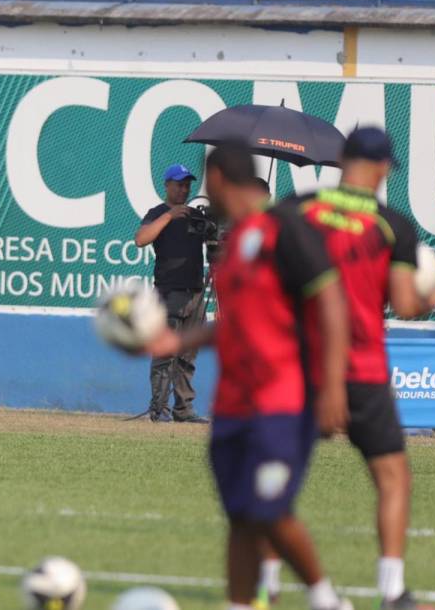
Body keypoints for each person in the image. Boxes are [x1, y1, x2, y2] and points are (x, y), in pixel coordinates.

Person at [145, 145, 354, 610]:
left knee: (269, 509)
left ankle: (327, 601)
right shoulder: (235, 245)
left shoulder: (285, 230)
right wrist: (174, 343)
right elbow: (237, 324)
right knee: (240, 516)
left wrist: (334, 386)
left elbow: (332, 303)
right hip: (234, 406)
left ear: (218, 178)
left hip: (281, 402)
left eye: (203, 181)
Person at [256, 127, 435, 610]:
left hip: (297, 364)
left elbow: (263, 272)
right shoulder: (393, 225)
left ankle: (265, 587)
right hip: (361, 369)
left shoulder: (297, 210)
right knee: (391, 476)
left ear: (341, 159)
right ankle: (392, 592)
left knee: (275, 476)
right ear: (384, 168)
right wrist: (430, 298)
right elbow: (404, 304)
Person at [134, 163, 208, 422]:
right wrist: (170, 216)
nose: (183, 189)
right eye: (178, 184)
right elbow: (141, 239)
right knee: (164, 354)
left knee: (188, 356)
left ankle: (183, 410)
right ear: (166, 186)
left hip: (195, 293)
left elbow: (213, 244)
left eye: (187, 185)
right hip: (168, 293)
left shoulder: (196, 215)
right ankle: (158, 409)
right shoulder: (157, 213)